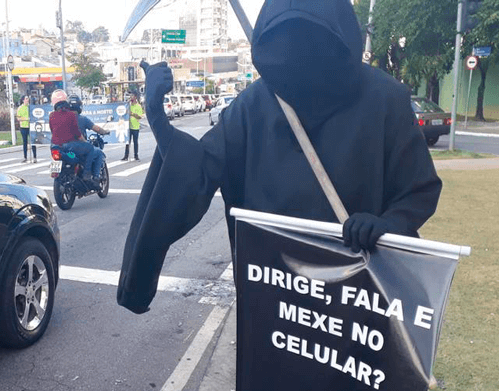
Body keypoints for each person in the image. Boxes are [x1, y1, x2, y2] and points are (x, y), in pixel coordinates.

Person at [117, 0, 442, 314]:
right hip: (277, 303)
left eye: (311, 37)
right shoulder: (252, 107)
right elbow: (198, 169)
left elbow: (418, 188)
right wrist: (157, 117)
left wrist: (388, 226)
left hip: (357, 301)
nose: (300, 49)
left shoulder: (384, 99)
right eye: (288, 37)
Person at [48, 89, 101, 188]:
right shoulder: (72, 115)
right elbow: (77, 133)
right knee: (89, 148)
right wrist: (84, 141)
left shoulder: (52, 116)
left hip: (55, 146)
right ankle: (86, 174)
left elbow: (52, 130)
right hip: (70, 147)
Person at [121, 92, 144, 161]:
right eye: (130, 96)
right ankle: (126, 155)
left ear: (135, 97)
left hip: (135, 127)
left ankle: (136, 155)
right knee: (127, 142)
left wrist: (132, 114)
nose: (131, 97)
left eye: (132, 96)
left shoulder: (138, 106)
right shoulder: (129, 105)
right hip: (128, 127)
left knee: (135, 142)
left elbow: (140, 116)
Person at [17, 96, 37, 163]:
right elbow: (18, 118)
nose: (27, 100)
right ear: (23, 100)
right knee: (25, 142)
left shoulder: (31, 107)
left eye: (28, 99)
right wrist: (26, 119)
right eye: (26, 99)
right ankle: (25, 157)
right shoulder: (20, 108)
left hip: (31, 127)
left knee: (33, 142)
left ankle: (35, 157)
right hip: (23, 127)